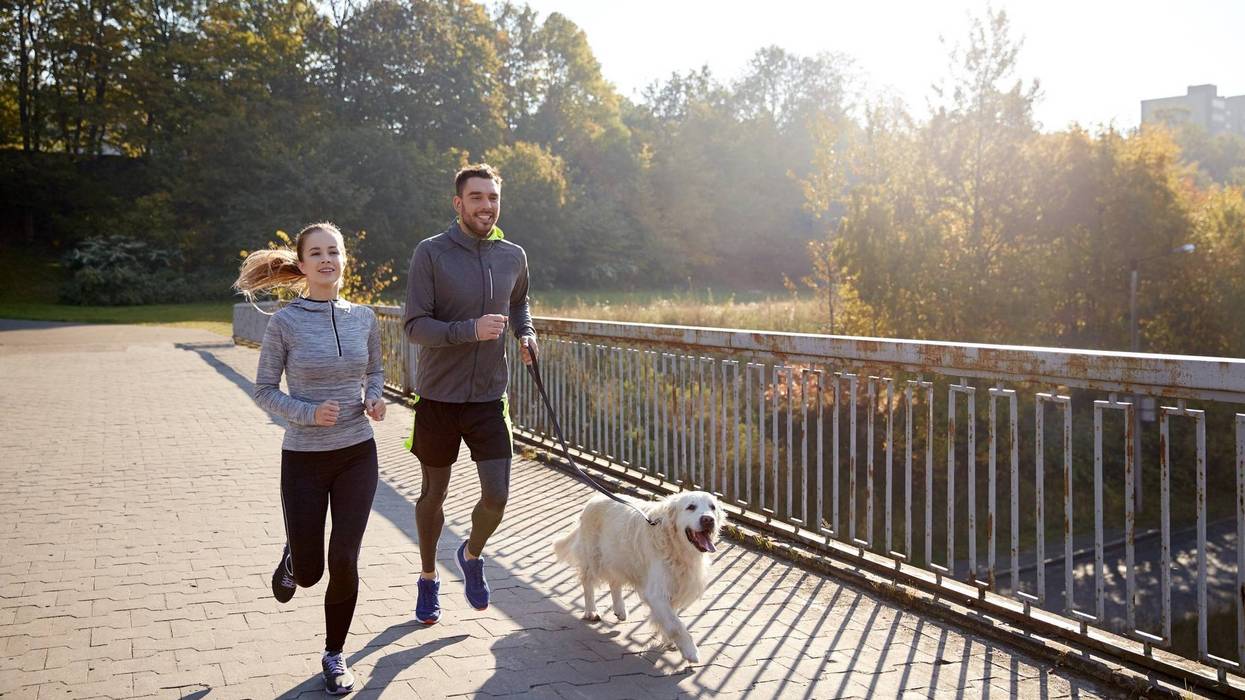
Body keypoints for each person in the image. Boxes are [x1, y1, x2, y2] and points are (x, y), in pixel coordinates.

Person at [234, 222, 385, 695]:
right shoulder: (284, 323)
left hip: (357, 454)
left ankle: (334, 654)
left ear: (344, 260)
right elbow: (262, 390)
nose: (326, 260)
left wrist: (376, 398)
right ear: (301, 265)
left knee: (344, 558)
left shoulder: (364, 317)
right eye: (316, 253)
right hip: (304, 458)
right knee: (312, 570)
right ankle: (293, 561)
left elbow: (376, 370)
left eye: (334, 252)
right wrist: (307, 413)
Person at [403, 163, 538, 625]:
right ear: (458, 203)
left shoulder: (513, 254)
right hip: (438, 398)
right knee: (432, 495)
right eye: (476, 198)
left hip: (488, 398)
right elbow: (415, 326)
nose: (486, 206)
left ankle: (471, 554)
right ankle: (427, 578)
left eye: (493, 198)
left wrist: (525, 333)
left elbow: (519, 301)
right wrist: (471, 330)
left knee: (497, 497)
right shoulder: (431, 254)